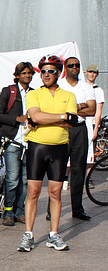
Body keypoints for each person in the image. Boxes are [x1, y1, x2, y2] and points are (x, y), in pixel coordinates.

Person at [17, 54, 77, 252]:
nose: (46, 74)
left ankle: (53, 235)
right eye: (43, 71)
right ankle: (28, 235)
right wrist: (61, 116)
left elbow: (72, 122)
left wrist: (44, 119)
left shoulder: (69, 96)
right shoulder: (33, 94)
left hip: (60, 148)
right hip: (37, 147)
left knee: (55, 193)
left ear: (59, 73)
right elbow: (34, 116)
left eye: (51, 71)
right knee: (33, 192)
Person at [0, 62, 34, 226]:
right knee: (12, 178)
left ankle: (20, 211)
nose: (27, 76)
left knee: (25, 180)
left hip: (29, 143)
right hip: (12, 142)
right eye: (24, 73)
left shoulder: (35, 93)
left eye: (30, 73)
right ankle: (7, 211)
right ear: (17, 75)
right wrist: (17, 119)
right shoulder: (8, 91)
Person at [55, 56, 95, 221]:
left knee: (78, 170)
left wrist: (70, 109)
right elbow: (56, 109)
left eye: (77, 65)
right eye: (71, 65)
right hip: (62, 128)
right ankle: (53, 208)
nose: (75, 67)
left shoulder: (86, 87)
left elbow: (92, 110)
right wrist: (80, 105)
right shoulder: (59, 85)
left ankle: (77, 209)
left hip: (79, 130)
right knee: (57, 169)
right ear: (65, 67)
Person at [85, 64, 104, 189]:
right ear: (86, 73)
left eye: (94, 72)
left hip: (91, 123)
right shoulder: (81, 87)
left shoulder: (98, 90)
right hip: (79, 122)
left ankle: (88, 178)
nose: (92, 74)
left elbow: (98, 111)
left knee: (90, 152)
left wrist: (96, 128)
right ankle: (66, 178)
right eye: (90, 72)